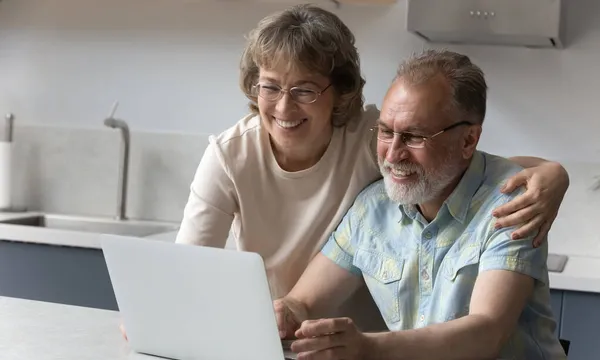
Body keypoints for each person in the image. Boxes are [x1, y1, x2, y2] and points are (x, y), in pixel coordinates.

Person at [173, 5, 569, 332]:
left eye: (305, 90)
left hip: (372, 349)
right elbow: (186, 274)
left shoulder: (371, 138)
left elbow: (461, 163)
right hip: (281, 333)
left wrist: (553, 173)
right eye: (270, 86)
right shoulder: (230, 155)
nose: (283, 107)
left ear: (340, 91)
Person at [273, 49, 568, 360]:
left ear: (468, 139)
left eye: (414, 136)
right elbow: (304, 303)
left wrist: (371, 349)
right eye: (385, 131)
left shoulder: (514, 203)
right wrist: (286, 313)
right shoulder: (373, 207)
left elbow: (486, 332)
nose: (393, 153)